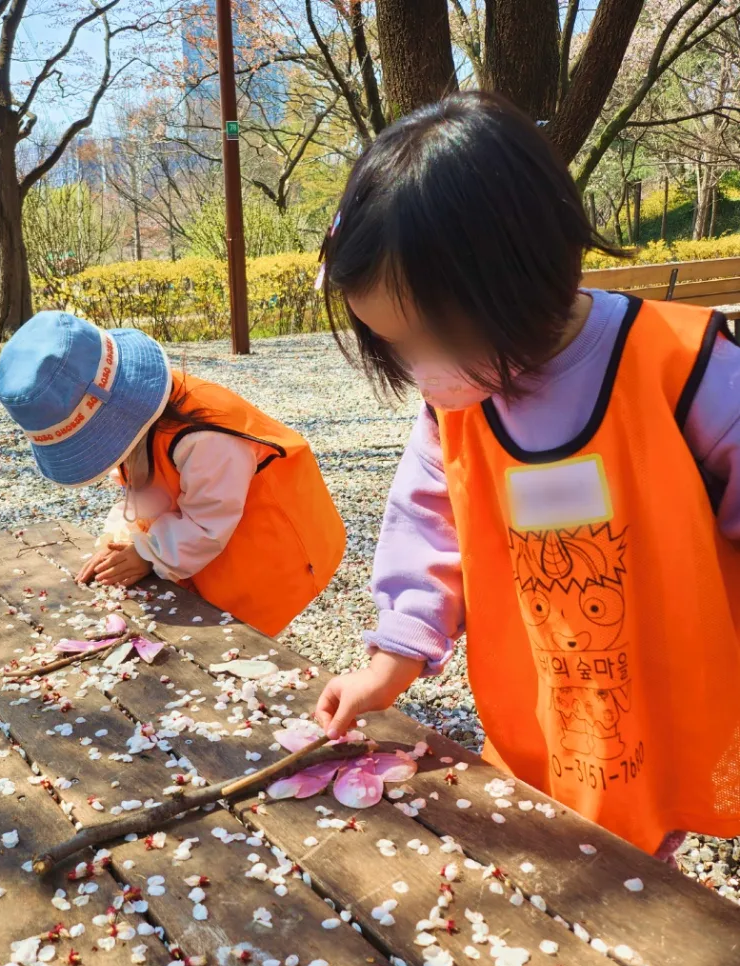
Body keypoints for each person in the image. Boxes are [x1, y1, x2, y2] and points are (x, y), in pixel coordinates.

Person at [313, 91, 740, 858]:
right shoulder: (453, 406)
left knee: (646, 854)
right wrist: (392, 659)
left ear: (523, 274)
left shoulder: (683, 368)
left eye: (435, 336)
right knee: (578, 850)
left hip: (676, 690)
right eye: (399, 347)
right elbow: (426, 526)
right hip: (548, 700)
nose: (423, 368)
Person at [0, 312, 346, 636]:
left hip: (274, 548)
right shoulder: (139, 424)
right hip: (214, 541)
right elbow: (142, 489)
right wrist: (121, 538)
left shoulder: (207, 436)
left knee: (248, 639)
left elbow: (209, 522)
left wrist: (149, 554)